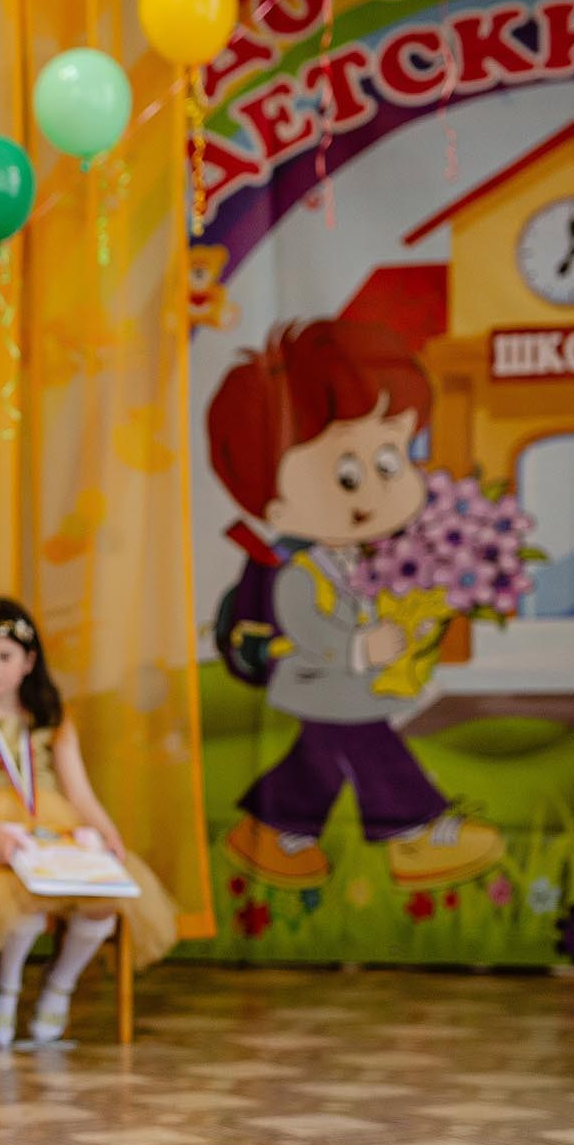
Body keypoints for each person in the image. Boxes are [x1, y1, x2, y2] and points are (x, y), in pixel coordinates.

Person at [208, 319, 501, 891]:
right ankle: (414, 833)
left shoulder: (363, 562)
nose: (374, 490)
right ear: (273, 505)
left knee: (317, 761)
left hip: (340, 684)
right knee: (370, 746)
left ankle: (272, 830)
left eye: (390, 462)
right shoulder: (298, 570)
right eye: (346, 474)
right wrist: (361, 647)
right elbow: (309, 626)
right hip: (324, 679)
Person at [0, 597, 177, 1046]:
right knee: (20, 897)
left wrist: (107, 832)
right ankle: (4, 994)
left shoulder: (50, 717)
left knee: (102, 899)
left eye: (4, 657)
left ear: (28, 661)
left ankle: (58, 988)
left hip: (51, 825)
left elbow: (78, 791)